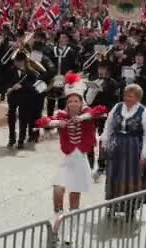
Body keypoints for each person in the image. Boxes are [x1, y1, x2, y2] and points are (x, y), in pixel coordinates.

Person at [36, 72, 107, 216]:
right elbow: (43, 121)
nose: (73, 103)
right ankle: (59, 215)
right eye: (70, 101)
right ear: (67, 103)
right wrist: (58, 123)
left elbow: (101, 111)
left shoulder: (87, 113)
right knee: (58, 187)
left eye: (76, 101)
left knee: (75, 194)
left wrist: (81, 118)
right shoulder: (62, 114)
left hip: (81, 159)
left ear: (81, 102)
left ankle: (71, 221)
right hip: (68, 158)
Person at [100, 84, 146, 220]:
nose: (127, 98)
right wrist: (105, 140)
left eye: (130, 96)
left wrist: (145, 153)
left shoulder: (145, 112)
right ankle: (113, 206)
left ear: (137, 98)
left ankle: (130, 209)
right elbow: (109, 124)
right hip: (116, 146)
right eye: (126, 95)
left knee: (131, 177)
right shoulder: (117, 107)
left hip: (133, 148)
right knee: (114, 175)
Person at [85, 61, 120, 180]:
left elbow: (115, 100)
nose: (100, 71)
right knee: (89, 138)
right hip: (92, 113)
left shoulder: (113, 83)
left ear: (108, 70)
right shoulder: (94, 80)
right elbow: (87, 98)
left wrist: (106, 112)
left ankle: (101, 165)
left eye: (103, 69)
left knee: (103, 140)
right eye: (100, 68)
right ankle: (89, 163)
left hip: (105, 115)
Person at [6, 51, 43, 149]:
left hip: (25, 98)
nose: (16, 63)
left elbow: (32, 87)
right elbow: (6, 82)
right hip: (13, 97)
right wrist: (9, 87)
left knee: (23, 119)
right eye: (15, 61)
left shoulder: (31, 73)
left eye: (18, 61)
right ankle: (11, 138)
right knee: (11, 118)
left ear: (23, 61)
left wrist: (21, 86)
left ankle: (21, 140)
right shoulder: (10, 70)